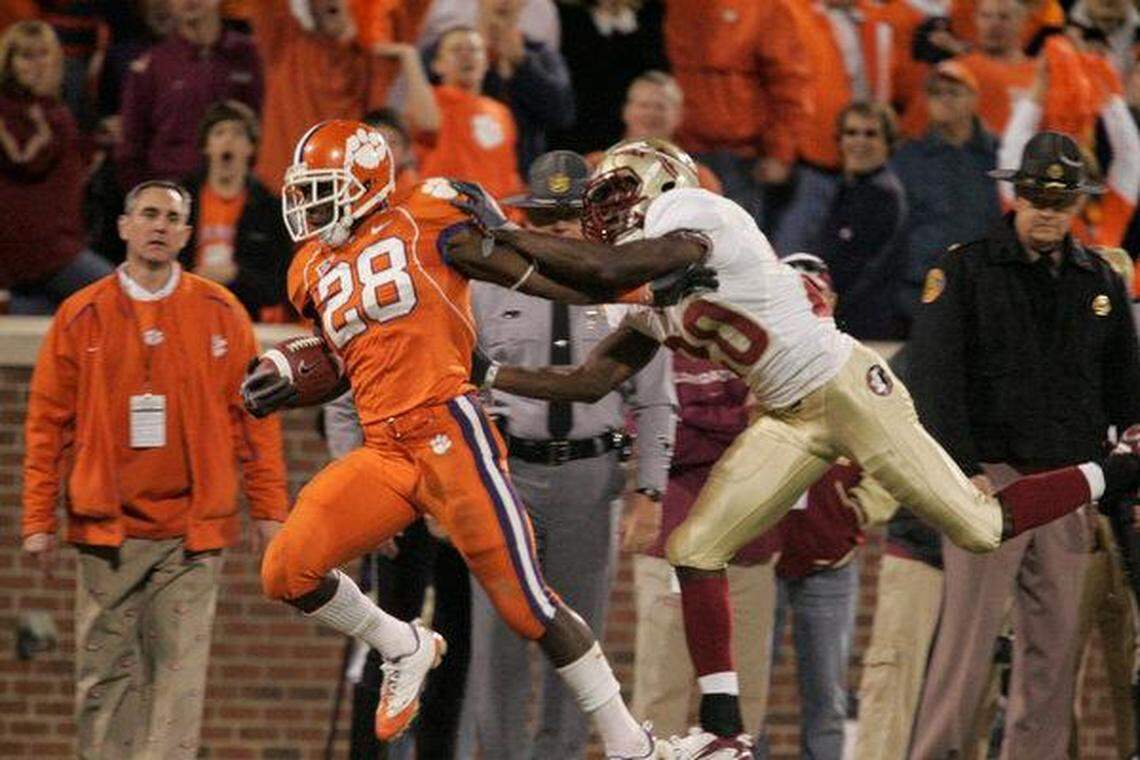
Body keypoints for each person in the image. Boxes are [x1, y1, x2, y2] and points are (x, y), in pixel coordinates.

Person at [447, 135, 1140, 755]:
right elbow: (589, 379)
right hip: (786, 416)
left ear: (664, 185)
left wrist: (503, 235)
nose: (610, 209)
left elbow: (599, 272)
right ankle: (725, 732)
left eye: (621, 192)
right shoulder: (654, 294)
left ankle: (1116, 470)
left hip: (845, 388)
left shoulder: (699, 216)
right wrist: (491, 367)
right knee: (695, 550)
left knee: (981, 525)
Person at [239, 119, 720, 759]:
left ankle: (634, 745)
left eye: (322, 188)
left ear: (365, 181)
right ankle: (403, 644)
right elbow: (345, 360)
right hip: (385, 449)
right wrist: (285, 375)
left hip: (449, 432)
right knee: (285, 570)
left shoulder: (427, 217)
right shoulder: (309, 269)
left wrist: (631, 284)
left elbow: (540, 276)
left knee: (527, 609)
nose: (307, 204)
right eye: (303, 191)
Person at [20, 179, 289, 760]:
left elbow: (256, 422)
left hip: (192, 535)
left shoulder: (221, 313)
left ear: (188, 234)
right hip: (106, 534)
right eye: (148, 214)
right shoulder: (79, 316)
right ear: (123, 227)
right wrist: (38, 519)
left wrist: (270, 512)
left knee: (178, 684)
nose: (160, 225)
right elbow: (47, 426)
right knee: (104, 683)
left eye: (172, 217)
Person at [907, 129, 1140, 758]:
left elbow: (1125, 386)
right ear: (1017, 194)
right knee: (967, 644)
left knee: (1055, 653)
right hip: (992, 483)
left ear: (1077, 207)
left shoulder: (1099, 281)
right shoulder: (966, 268)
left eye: (1060, 202)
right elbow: (933, 380)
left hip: (1067, 488)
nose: (1047, 211)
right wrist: (960, 471)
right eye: (1037, 196)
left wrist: (1122, 452)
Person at [465, 149, 676, 760]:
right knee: (497, 639)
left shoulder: (628, 291)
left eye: (568, 218)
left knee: (581, 640)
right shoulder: (484, 290)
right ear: (527, 222)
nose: (557, 230)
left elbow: (658, 401)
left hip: (592, 479)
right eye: (546, 219)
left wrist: (650, 490)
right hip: (508, 478)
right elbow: (460, 389)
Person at [632, 349, 779, 746]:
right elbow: (658, 439)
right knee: (662, 696)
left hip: (748, 545)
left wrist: (690, 417)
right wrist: (737, 420)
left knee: (745, 703)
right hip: (675, 544)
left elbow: (774, 437)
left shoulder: (757, 346)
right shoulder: (657, 344)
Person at [249, 0, 436, 194]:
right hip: (279, 197)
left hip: (348, 201)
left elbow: (414, 7)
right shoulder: (284, 44)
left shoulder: (375, 59)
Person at [663, 0, 810, 228]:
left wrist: (781, 153)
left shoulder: (766, 8)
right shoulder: (675, 7)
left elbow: (790, 84)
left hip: (738, 159)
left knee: (734, 248)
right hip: (677, 151)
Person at [0, 20, 113, 314]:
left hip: (54, 244)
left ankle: (11, 307)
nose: (37, 65)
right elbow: (28, 162)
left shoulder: (53, 109)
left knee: (59, 314)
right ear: (9, 63)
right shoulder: (20, 114)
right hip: (42, 248)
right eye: (26, 56)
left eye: (43, 54)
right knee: (121, 295)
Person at [890, 60, 1003, 324]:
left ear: (974, 99)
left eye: (953, 92)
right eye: (936, 93)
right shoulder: (907, 158)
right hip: (921, 289)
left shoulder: (1001, 155)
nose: (944, 100)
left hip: (987, 286)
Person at [116, 0, 262, 190]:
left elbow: (269, 128)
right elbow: (130, 148)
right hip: (173, 195)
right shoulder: (151, 66)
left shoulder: (253, 57)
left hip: (241, 195)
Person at [804, 101, 908, 340]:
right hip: (843, 322)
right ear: (840, 140)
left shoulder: (882, 195)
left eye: (870, 134)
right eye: (851, 132)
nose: (859, 141)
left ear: (888, 143)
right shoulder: (848, 188)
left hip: (864, 328)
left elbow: (860, 269)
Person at [181, 100, 291, 320]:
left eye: (238, 134)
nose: (228, 140)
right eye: (219, 132)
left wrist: (237, 275)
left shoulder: (271, 209)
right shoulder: (181, 200)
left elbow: (279, 286)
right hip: (185, 308)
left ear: (251, 148)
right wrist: (190, 277)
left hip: (243, 315)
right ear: (207, 145)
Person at [418, 25, 524, 199]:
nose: (466, 55)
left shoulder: (502, 112)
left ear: (486, 62)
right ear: (437, 64)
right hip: (446, 213)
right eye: (456, 49)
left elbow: (508, 172)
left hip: (497, 216)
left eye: (474, 49)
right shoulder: (430, 100)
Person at [586, 71, 723, 194]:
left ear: (679, 115)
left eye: (660, 107)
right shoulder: (594, 166)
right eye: (643, 105)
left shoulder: (699, 179)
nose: (650, 114)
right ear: (626, 111)